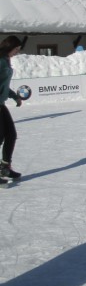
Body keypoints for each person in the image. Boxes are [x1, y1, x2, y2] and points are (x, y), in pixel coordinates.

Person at [0, 36, 23, 184]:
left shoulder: (6, 60)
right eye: (16, 49)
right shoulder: (1, 62)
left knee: (11, 135)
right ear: (10, 47)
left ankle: (5, 167)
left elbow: (3, 85)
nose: (17, 52)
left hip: (1, 104)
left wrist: (15, 97)